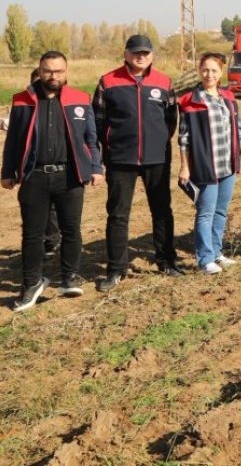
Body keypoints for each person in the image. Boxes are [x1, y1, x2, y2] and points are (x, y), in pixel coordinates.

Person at [1, 51, 104, 311]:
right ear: (40, 70)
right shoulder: (23, 101)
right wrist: (7, 170)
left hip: (69, 176)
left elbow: (91, 139)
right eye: (48, 70)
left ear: (66, 72)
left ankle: (69, 277)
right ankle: (32, 283)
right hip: (34, 177)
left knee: (71, 231)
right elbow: (13, 139)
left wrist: (95, 167)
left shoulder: (80, 100)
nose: (53, 75)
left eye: (58, 71)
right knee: (32, 235)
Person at [93, 34, 179, 292]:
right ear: (126, 53)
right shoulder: (108, 82)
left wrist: (159, 139)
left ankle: (166, 261)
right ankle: (116, 269)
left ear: (152, 55)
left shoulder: (164, 82)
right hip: (120, 159)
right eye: (135, 52)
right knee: (118, 214)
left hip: (157, 158)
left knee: (162, 210)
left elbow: (171, 119)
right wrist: (109, 146)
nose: (140, 56)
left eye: (145, 52)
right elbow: (98, 121)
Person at [177, 53, 241, 274]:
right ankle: (205, 258)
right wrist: (185, 166)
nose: (209, 74)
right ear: (199, 69)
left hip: (228, 163)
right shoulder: (190, 100)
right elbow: (184, 138)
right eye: (205, 70)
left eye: (214, 70)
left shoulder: (228, 97)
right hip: (206, 165)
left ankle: (217, 253)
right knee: (205, 212)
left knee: (221, 211)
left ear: (221, 73)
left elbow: (239, 128)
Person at [31, 67, 61, 258]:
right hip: (34, 166)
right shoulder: (26, 105)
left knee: (54, 207)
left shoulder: (62, 104)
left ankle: (53, 239)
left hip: (59, 166)